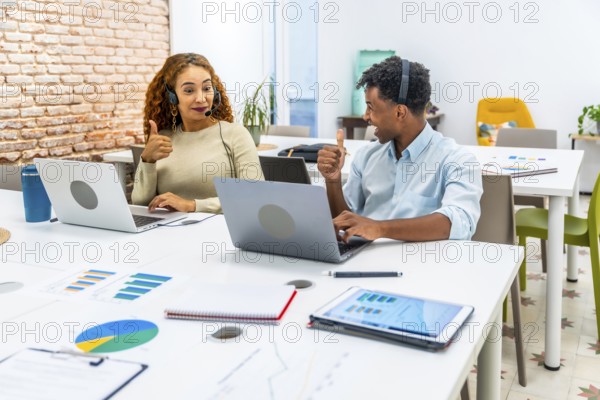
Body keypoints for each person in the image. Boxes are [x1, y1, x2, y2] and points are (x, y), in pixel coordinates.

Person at [317, 56, 482, 242]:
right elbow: (345, 222)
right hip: (364, 263)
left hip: (425, 267)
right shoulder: (366, 156)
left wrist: (379, 228)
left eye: (371, 107)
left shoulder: (457, 160)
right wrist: (333, 181)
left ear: (400, 112)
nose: (365, 116)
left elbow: (457, 223)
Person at [132, 53, 263, 213]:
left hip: (220, 231)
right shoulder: (163, 138)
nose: (201, 98)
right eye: (189, 90)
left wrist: (192, 205)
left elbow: (254, 196)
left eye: (207, 88)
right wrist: (147, 160)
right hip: (168, 232)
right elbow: (140, 202)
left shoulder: (235, 134)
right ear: (172, 97)